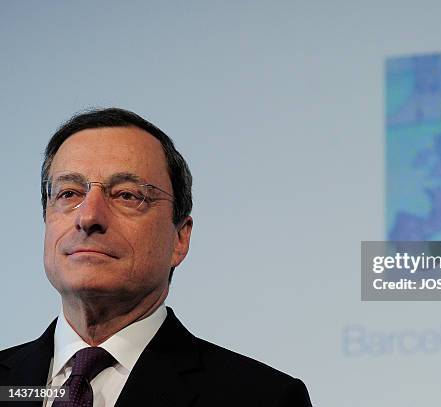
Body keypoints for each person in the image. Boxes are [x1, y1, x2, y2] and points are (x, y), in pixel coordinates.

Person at [0, 108, 312, 406]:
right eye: (69, 193)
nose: (88, 216)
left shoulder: (263, 398)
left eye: (126, 195)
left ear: (180, 237)